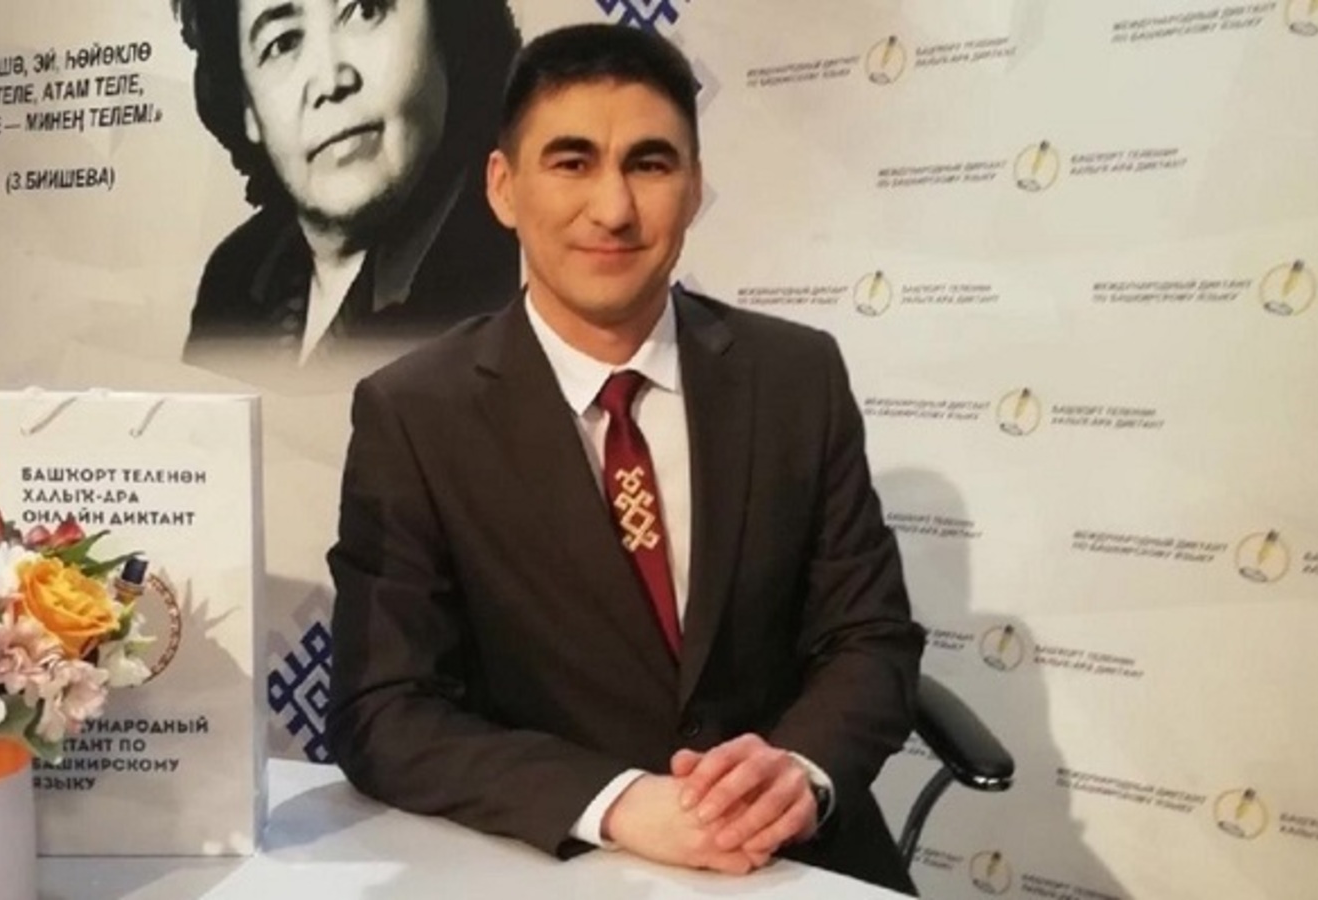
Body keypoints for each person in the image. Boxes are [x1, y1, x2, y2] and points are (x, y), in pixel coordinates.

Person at [326, 23, 924, 895]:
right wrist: (617, 801)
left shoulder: (797, 376)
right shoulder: (415, 414)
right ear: (503, 187)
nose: (612, 208)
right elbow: (383, 709)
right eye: (571, 162)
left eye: (650, 164)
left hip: (799, 859)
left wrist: (800, 772)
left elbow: (869, 637)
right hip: (563, 865)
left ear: (694, 188)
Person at [175, 0, 521, 373]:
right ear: (248, 108)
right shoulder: (235, 278)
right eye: (283, 43)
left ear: (445, 26)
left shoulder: (512, 269)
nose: (330, 81)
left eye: (365, 10)